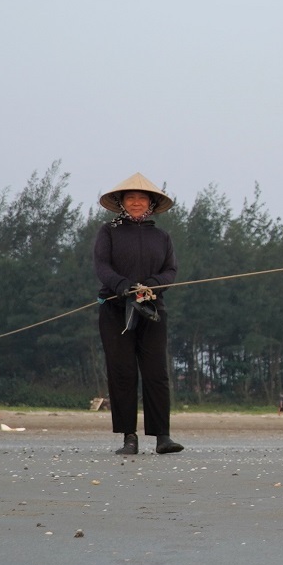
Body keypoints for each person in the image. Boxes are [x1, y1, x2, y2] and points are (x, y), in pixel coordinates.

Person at [93, 173, 183, 456]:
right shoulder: (108, 232)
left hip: (152, 309)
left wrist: (152, 287)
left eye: (141, 198)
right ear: (121, 202)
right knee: (122, 372)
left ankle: (162, 437)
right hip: (115, 308)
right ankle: (128, 438)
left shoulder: (162, 237)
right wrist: (123, 287)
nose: (135, 203)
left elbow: (170, 271)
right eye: (130, 198)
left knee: (156, 373)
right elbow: (102, 265)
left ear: (151, 203)